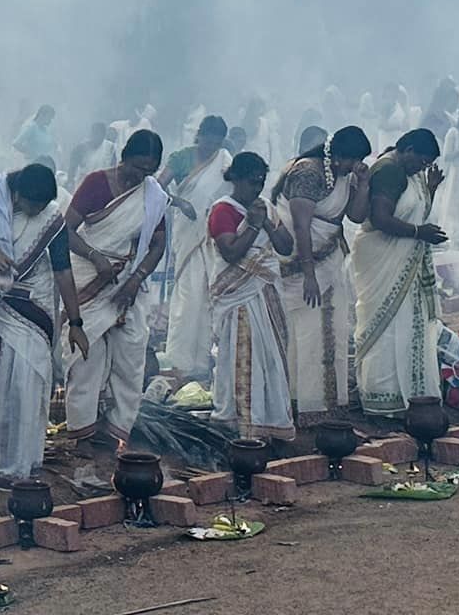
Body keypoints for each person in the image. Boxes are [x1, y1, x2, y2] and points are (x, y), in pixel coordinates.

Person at [0, 163, 87, 485]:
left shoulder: (51, 218)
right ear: (18, 194)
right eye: (32, 204)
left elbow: (63, 272)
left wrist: (76, 321)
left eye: (42, 205)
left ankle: (14, 463)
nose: (37, 210)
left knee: (24, 384)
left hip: (30, 310)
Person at [62, 131, 170, 450]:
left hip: (129, 284)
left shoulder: (153, 194)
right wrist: (96, 258)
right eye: (137, 168)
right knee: (86, 356)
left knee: (130, 357)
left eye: (148, 171)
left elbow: (158, 243)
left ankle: (116, 431)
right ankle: (82, 433)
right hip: (89, 276)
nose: (140, 176)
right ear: (124, 156)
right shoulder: (96, 183)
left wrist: (135, 279)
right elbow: (65, 231)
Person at [273, 125, 371, 424]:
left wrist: (363, 184)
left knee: (332, 330)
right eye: (352, 160)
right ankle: (300, 401)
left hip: (330, 261)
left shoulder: (344, 175)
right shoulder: (307, 172)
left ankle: (326, 402)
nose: (354, 166)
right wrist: (309, 274)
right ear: (337, 154)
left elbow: (353, 216)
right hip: (303, 265)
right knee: (304, 331)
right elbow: (301, 226)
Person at [352, 129, 448, 418]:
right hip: (382, 258)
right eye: (420, 161)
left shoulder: (411, 173)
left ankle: (410, 395)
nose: (421, 168)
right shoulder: (391, 171)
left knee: (408, 326)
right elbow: (382, 219)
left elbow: (412, 208)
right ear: (406, 149)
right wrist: (420, 233)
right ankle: (382, 396)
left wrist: (430, 189)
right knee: (388, 328)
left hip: (405, 261)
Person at [206, 153, 293, 438]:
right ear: (237, 180)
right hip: (239, 297)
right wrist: (253, 225)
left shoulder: (264, 207)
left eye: (261, 182)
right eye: (252, 182)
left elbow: (285, 246)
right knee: (243, 356)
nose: (257, 188)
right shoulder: (222, 210)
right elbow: (230, 252)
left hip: (266, 294)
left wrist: (265, 222)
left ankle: (271, 421)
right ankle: (241, 424)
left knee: (271, 359)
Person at [160, 114, 231, 377]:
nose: (210, 145)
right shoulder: (181, 158)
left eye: (216, 141)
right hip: (188, 230)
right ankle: (179, 359)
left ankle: (201, 361)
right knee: (187, 294)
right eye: (207, 139)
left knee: (208, 292)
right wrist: (180, 202)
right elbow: (157, 188)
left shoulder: (224, 160)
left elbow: (233, 191)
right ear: (199, 134)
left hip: (214, 232)